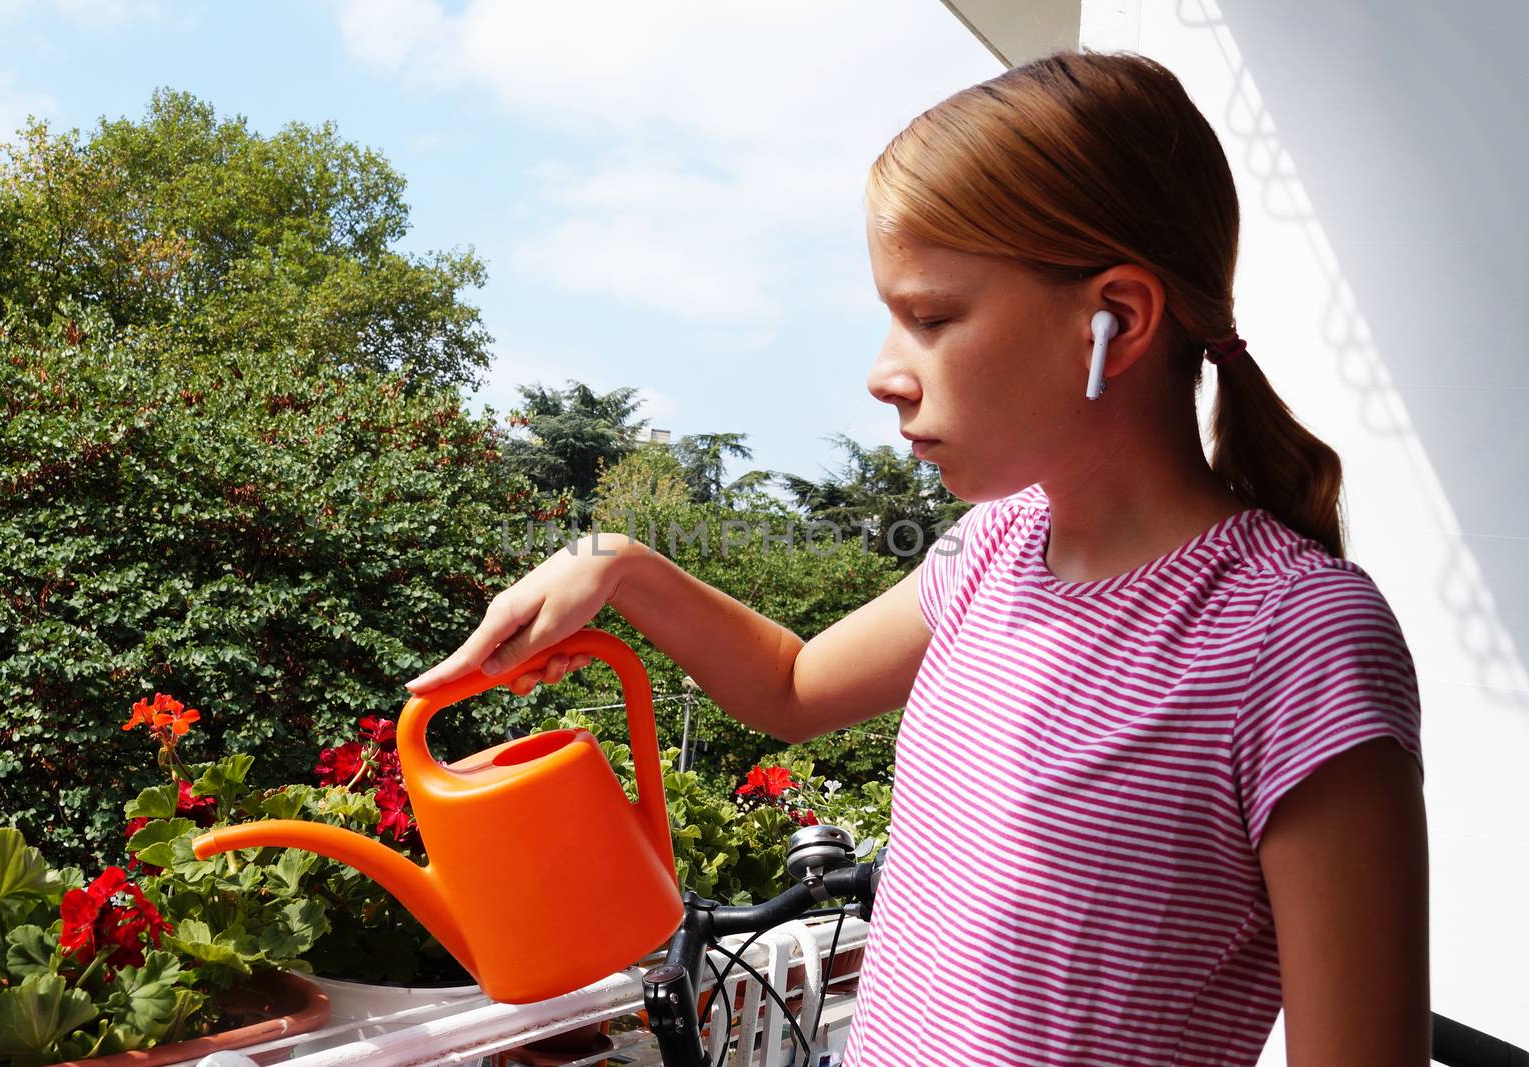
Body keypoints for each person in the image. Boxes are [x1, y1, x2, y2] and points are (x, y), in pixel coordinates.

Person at [405, 48, 1427, 1067]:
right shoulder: (993, 550)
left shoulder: (1294, 638)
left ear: (1115, 319)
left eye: (931, 317)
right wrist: (620, 565)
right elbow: (793, 686)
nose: (883, 374)